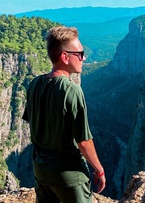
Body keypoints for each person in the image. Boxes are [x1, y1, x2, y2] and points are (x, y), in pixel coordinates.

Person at [22, 26, 106, 203]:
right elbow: (83, 140)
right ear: (65, 57)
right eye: (80, 54)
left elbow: (35, 122)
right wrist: (99, 169)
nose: (84, 58)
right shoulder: (71, 90)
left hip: (41, 171)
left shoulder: (35, 84)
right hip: (69, 175)